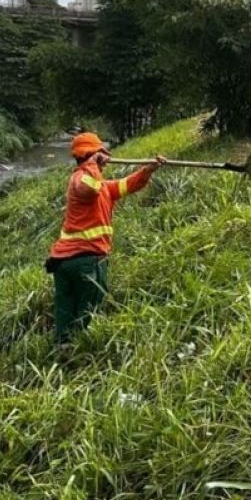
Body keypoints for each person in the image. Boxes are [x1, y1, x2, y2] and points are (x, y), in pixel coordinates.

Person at [45, 132, 165, 344]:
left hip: (65, 261)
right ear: (91, 155)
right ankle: (78, 353)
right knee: (88, 312)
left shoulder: (103, 187)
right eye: (101, 153)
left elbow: (129, 184)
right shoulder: (80, 178)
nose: (105, 160)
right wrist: (92, 163)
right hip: (86, 260)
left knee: (66, 310)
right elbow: (87, 189)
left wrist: (149, 169)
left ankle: (62, 349)